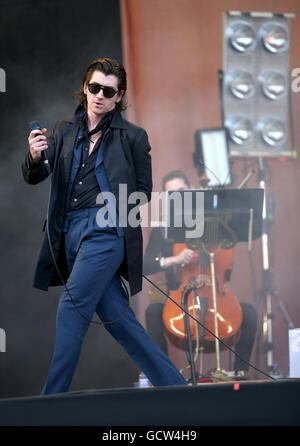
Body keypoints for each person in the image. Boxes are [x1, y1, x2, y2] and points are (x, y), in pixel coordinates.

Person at [22, 58, 187, 394]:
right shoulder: (63, 131)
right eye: (94, 87)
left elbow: (142, 191)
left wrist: (113, 212)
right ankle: (177, 388)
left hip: (106, 232)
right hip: (69, 234)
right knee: (119, 320)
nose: (98, 95)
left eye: (107, 91)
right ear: (85, 88)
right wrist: (36, 157)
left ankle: (49, 401)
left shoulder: (133, 137)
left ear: (118, 96)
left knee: (71, 307)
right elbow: (35, 175)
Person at [143, 170, 258, 376]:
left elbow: (232, 242)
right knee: (152, 313)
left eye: (181, 192)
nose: (177, 198)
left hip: (216, 296)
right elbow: (144, 265)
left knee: (249, 312)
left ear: (190, 190)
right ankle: (163, 375)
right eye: (172, 195)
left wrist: (213, 213)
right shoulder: (163, 227)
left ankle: (239, 373)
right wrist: (174, 260)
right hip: (179, 300)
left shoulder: (214, 221)